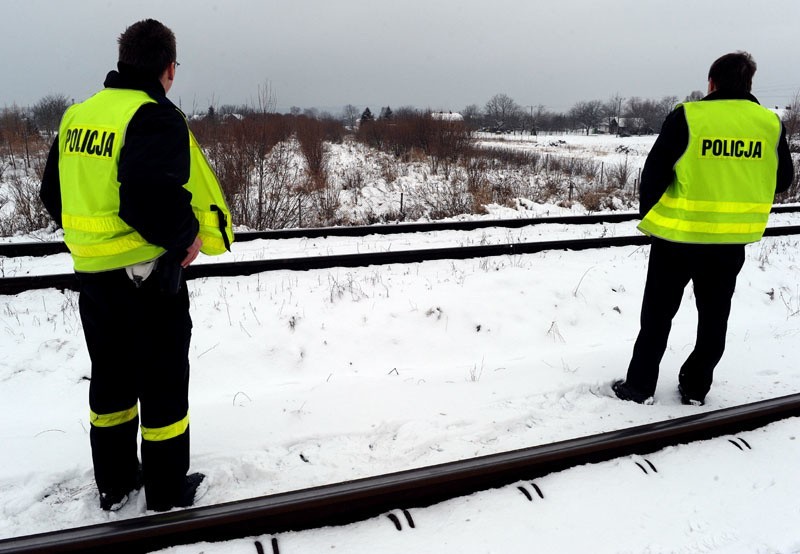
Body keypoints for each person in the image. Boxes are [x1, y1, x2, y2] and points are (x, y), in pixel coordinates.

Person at [40, 19, 232, 511]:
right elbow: (144, 202)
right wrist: (186, 237)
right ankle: (167, 491)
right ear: (169, 68)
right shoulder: (154, 116)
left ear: (124, 61)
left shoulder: (77, 116)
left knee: (111, 381)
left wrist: (92, 240)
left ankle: (117, 483)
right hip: (147, 280)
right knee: (163, 385)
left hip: (94, 279)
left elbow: (51, 195)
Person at [613, 51, 794, 406]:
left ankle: (639, 387)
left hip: (676, 238)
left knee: (657, 315)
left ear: (711, 82)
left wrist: (651, 218)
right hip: (729, 241)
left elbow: (653, 175)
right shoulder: (770, 124)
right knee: (714, 317)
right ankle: (695, 388)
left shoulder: (690, 116)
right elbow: (783, 180)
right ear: (748, 84)